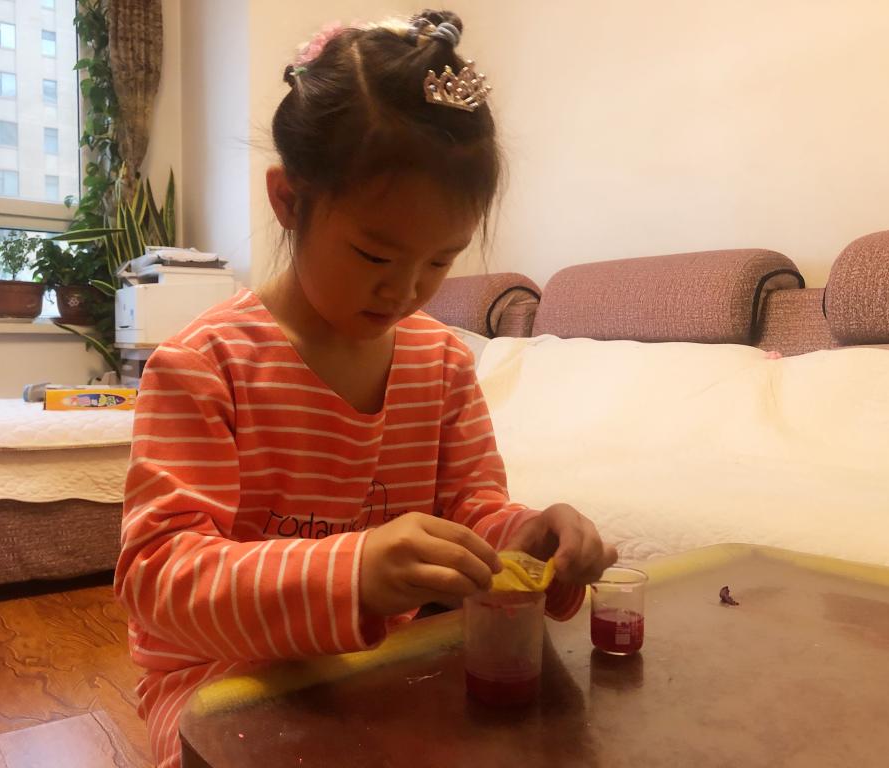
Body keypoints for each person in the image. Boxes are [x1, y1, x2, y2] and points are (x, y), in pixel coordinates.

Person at [114, 10, 617, 767]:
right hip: (222, 678)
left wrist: (526, 535)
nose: (405, 291)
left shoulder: (442, 362)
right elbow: (158, 578)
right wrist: (352, 572)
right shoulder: (203, 364)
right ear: (289, 201)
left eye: (439, 261)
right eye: (375, 256)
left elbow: (470, 508)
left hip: (384, 662)